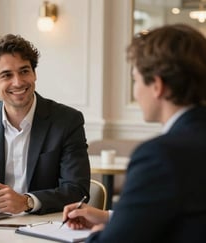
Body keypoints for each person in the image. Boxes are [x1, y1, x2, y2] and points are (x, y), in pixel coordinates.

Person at [62, 24, 206, 242]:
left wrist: (99, 234)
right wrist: (111, 218)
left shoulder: (160, 156)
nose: (136, 92)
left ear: (157, 86)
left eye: (135, 80)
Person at [0, 34, 90, 215]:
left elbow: (77, 190)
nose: (18, 82)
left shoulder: (67, 120)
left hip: (45, 225)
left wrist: (28, 201)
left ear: (34, 73)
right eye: (7, 75)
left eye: (24, 71)